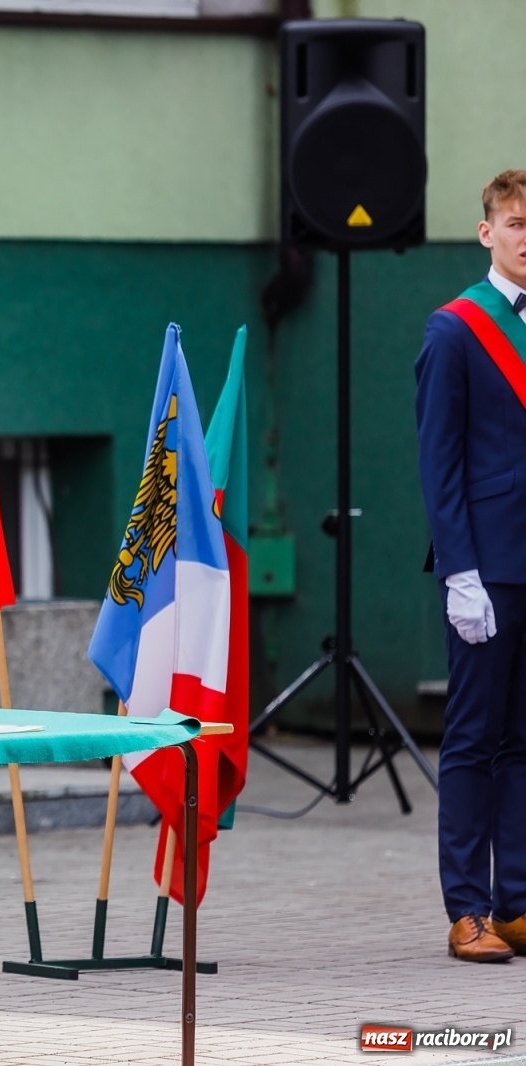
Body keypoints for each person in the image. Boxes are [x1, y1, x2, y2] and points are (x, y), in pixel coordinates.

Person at [415, 169, 526, 964]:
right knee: (473, 741)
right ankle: (468, 908)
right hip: (486, 570)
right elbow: (439, 462)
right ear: (487, 231)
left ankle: (518, 903)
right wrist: (460, 572)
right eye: (516, 223)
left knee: (525, 743)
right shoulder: (455, 328)